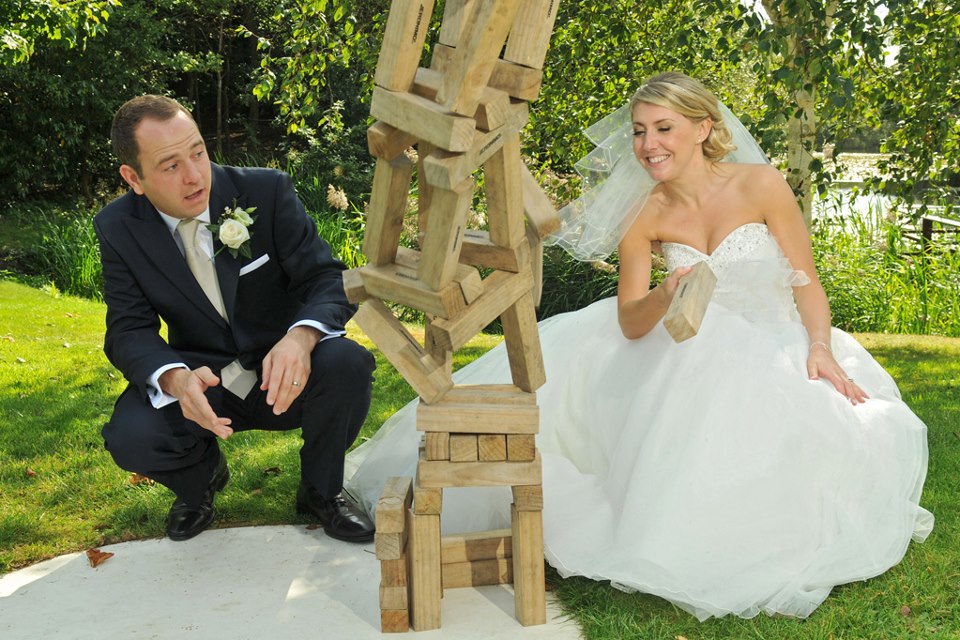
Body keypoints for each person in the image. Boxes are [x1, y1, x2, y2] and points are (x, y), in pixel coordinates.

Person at [344, 73, 933, 619]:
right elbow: (630, 321)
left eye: (664, 128)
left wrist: (820, 346)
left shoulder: (761, 184)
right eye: (640, 131)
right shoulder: (642, 214)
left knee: (827, 430)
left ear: (703, 129)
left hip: (774, 339)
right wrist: (665, 292)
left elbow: (806, 282)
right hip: (681, 344)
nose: (649, 144)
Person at [94, 95, 377, 543]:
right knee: (131, 435)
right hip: (203, 383)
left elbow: (328, 278)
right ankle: (200, 482)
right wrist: (175, 380)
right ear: (134, 178)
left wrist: (300, 339)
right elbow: (128, 328)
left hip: (283, 375)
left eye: (198, 152)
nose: (194, 175)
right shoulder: (118, 227)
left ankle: (322, 491)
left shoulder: (266, 191)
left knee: (348, 364)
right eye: (170, 166)